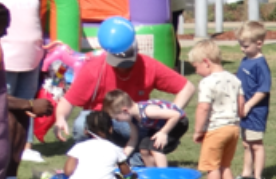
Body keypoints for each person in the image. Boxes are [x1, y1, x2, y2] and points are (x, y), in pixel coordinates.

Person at [54, 38, 195, 147]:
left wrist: (165, 124)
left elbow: (187, 87)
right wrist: (61, 118)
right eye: (118, 62)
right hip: (99, 116)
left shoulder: (148, 65)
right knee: (82, 125)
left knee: (134, 141)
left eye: (127, 62)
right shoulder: (93, 69)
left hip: (132, 117)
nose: (123, 66)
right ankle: (89, 158)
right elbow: (68, 100)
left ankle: (137, 156)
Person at [0, 0, 44, 170]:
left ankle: (26, 146)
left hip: (32, 54)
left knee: (28, 103)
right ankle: (5, 148)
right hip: (7, 55)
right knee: (7, 103)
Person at [188, 39, 244, 179]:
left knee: (211, 165)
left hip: (216, 130)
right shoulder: (234, 79)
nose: (196, 72)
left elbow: (203, 107)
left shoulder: (207, 82)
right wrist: (238, 115)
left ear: (206, 62)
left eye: (196, 67)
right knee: (224, 162)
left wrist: (198, 130)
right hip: (233, 128)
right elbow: (241, 103)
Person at [60, 110, 131, 179]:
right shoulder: (115, 148)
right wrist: (132, 177)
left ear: (85, 130)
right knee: (118, 178)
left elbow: (68, 171)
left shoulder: (78, 147)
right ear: (111, 129)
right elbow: (126, 172)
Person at [102, 90, 188, 168]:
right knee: (143, 148)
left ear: (125, 110)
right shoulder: (131, 118)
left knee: (155, 147)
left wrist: (163, 133)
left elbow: (176, 115)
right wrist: (122, 158)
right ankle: (152, 173)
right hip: (161, 125)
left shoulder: (148, 111)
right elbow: (133, 139)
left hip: (177, 123)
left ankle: (163, 175)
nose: (117, 121)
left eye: (117, 118)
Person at [236, 21, 271, 179]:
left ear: (259, 44)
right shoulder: (245, 60)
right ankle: (246, 173)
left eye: (245, 46)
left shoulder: (260, 64)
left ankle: (258, 177)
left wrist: (249, 105)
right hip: (243, 109)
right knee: (246, 143)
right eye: (241, 45)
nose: (242, 49)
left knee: (256, 144)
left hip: (255, 111)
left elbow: (263, 89)